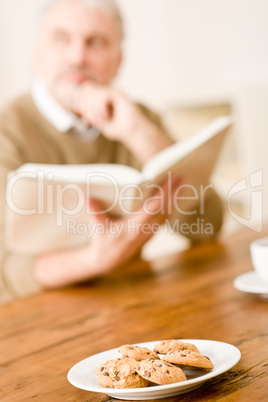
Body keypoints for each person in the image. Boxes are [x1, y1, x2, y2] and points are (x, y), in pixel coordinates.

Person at [0, 0, 223, 304]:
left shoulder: (139, 118)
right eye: (61, 38)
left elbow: (208, 224)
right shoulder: (7, 132)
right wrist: (95, 260)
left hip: (134, 303)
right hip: (39, 320)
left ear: (118, 61)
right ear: (36, 53)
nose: (78, 57)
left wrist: (139, 134)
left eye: (96, 42)